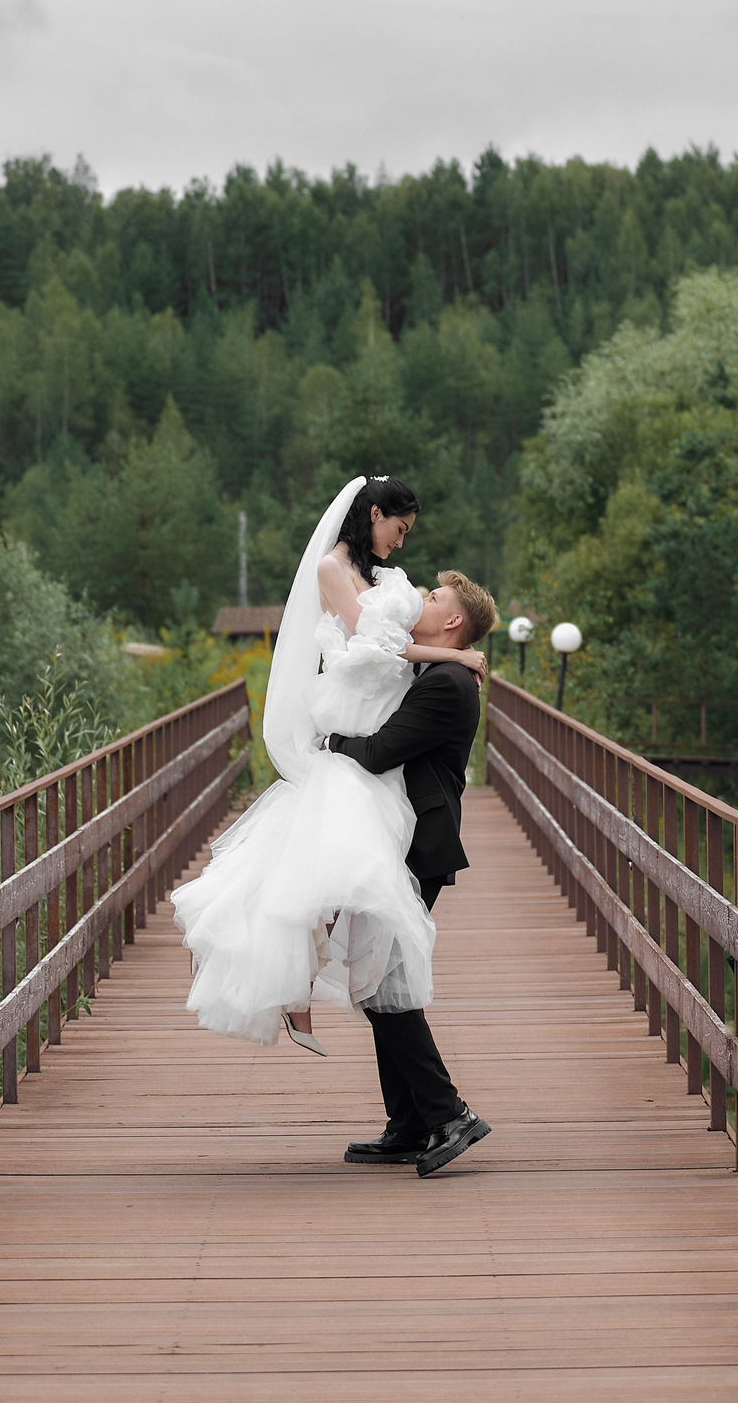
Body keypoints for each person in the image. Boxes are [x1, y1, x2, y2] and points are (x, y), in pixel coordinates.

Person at [174, 477, 485, 1055]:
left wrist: (448, 648)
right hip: (360, 705)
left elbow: (405, 625)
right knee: (330, 862)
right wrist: (453, 652)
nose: (401, 542)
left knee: (349, 866)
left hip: (381, 712)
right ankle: (297, 989)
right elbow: (377, 644)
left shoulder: (380, 575)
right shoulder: (330, 570)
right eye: (399, 529)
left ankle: (305, 987)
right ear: (373, 514)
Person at [324, 565, 499, 1176]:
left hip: (416, 846)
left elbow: (374, 753)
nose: (420, 599)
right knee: (379, 983)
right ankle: (408, 1124)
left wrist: (321, 746)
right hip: (399, 841)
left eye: (433, 596)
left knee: (388, 980)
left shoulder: (447, 683)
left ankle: (447, 1115)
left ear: (452, 620)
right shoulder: (436, 668)